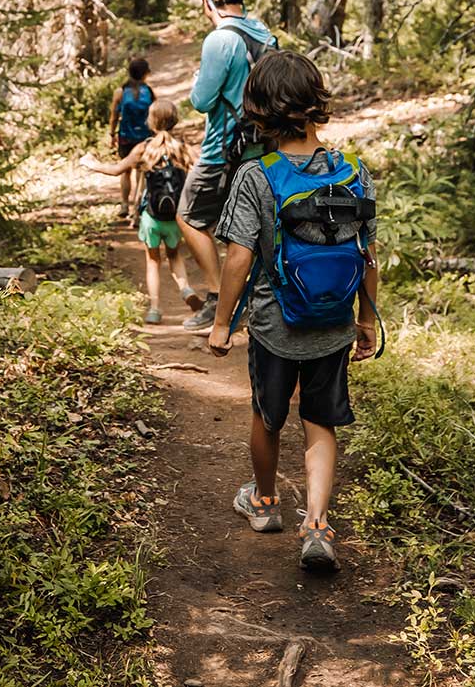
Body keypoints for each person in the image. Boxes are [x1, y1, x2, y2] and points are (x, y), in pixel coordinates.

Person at [205, 50, 379, 574]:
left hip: (274, 324)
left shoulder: (258, 176)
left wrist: (221, 322)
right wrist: (366, 320)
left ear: (260, 109)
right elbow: (369, 254)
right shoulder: (353, 173)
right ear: (315, 103)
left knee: (267, 414)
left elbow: (238, 257)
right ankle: (317, 525)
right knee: (321, 421)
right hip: (333, 324)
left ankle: (264, 503)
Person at [179, 0, 277, 330]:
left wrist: (196, 81)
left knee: (188, 216)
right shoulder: (264, 33)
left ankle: (222, 298)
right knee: (248, 227)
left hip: (224, 149)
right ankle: (254, 300)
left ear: (207, 0)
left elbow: (202, 100)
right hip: (264, 147)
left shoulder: (220, 39)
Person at [81, 100, 206, 324]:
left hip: (151, 217)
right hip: (174, 217)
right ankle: (186, 289)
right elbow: (202, 171)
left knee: (153, 261)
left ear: (151, 121)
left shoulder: (144, 148)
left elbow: (116, 169)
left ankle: (155, 309)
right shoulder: (182, 148)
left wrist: (92, 163)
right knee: (175, 255)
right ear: (175, 120)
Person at [109, 58, 155, 220]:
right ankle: (137, 210)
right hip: (144, 137)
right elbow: (154, 114)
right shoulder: (149, 91)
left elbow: (114, 116)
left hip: (125, 137)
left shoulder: (120, 92)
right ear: (145, 74)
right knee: (141, 173)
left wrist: (112, 134)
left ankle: (123, 204)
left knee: (125, 171)